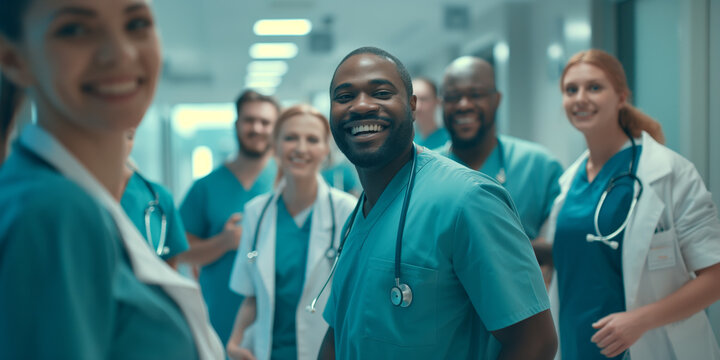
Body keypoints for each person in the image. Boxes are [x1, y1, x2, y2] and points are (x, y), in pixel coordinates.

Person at [0, 0, 223, 358]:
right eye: (74, 29)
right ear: (13, 59)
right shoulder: (53, 212)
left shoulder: (70, 197)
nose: (120, 52)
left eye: (136, 23)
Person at [318, 47, 557, 359]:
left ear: (412, 105)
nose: (361, 105)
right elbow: (339, 332)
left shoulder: (467, 200)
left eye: (381, 92)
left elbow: (535, 342)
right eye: (344, 96)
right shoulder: (358, 216)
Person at [541, 49, 720, 359]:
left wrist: (641, 320)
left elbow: (715, 278)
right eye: (571, 90)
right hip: (574, 346)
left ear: (621, 96)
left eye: (594, 87)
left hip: (645, 346)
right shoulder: (568, 184)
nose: (580, 98)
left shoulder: (668, 173)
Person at [226, 104, 357, 360]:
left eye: (312, 139)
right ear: (275, 146)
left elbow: (356, 299)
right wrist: (233, 342)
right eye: (290, 138)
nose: (300, 148)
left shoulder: (348, 212)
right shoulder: (256, 213)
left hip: (329, 352)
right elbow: (251, 297)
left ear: (325, 150)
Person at [179, 89, 280, 344]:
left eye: (265, 122)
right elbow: (180, 251)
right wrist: (224, 242)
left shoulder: (288, 184)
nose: (256, 128)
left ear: (276, 128)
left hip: (280, 320)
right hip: (221, 320)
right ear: (237, 124)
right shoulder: (206, 187)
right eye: (249, 120)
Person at [438, 56, 564, 241]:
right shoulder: (425, 170)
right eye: (453, 97)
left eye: (476, 95)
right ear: (441, 103)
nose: (463, 105)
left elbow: (562, 243)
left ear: (496, 100)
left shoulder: (538, 166)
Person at [118, 128, 189, 267]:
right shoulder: (77, 193)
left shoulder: (159, 197)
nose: (119, 144)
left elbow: (170, 272)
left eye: (129, 136)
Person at [411, 77, 448, 150]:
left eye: (424, 99)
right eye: (413, 100)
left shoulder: (449, 140)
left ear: (437, 102)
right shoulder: (409, 141)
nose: (418, 107)